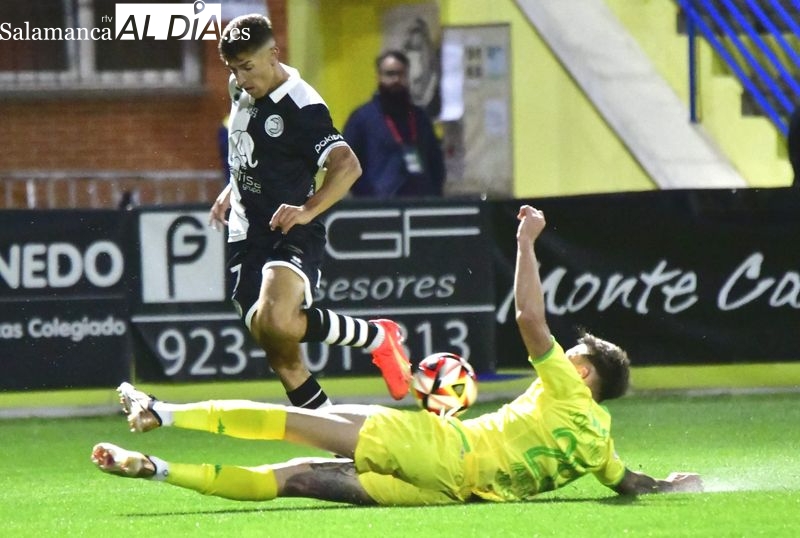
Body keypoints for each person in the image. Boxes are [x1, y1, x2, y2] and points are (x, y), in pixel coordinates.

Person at [92, 205, 703, 506]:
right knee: (294, 479)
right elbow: (629, 484)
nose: (562, 358)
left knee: (293, 424)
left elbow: (528, 319)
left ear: (584, 372)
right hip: (445, 494)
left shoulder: (567, 388)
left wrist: (525, 241)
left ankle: (161, 413)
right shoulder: (599, 443)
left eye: (571, 355)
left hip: (442, 446)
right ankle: (157, 469)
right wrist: (671, 485)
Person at [207, 14, 412, 407]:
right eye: (233, 69)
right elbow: (249, 145)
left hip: (291, 228)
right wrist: (232, 188)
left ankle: (377, 338)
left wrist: (305, 210)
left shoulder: (303, 107)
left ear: (273, 54)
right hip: (245, 231)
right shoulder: (240, 88)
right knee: (278, 347)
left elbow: (348, 165)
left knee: (278, 321)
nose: (241, 79)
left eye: (247, 67)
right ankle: (335, 433)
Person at [343, 50, 446, 198]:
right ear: (379, 77)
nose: (396, 79)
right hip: (378, 205)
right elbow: (347, 164)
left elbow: (435, 162)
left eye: (401, 74)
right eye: (390, 74)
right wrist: (366, 197)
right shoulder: (362, 118)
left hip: (420, 202)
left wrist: (433, 194)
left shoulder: (419, 117)